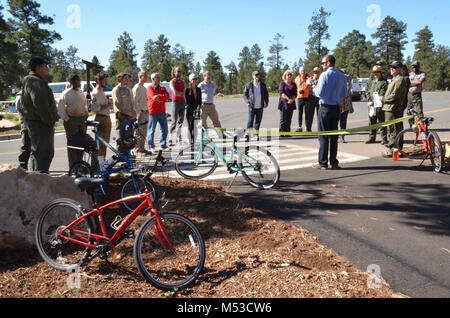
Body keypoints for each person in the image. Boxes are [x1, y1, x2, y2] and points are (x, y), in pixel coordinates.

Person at [21, 57, 58, 174]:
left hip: (35, 124)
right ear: (38, 68)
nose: (47, 68)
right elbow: (41, 106)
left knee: (36, 153)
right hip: (41, 125)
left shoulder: (28, 80)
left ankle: (35, 179)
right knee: (44, 154)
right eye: (45, 66)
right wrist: (50, 121)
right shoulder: (36, 82)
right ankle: (41, 181)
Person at [313, 55, 348, 170]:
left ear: (328, 63)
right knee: (333, 136)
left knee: (323, 136)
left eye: (323, 63)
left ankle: (323, 162)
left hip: (325, 108)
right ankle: (334, 162)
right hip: (336, 108)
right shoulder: (342, 76)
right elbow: (344, 94)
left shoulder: (325, 75)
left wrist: (314, 88)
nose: (322, 65)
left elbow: (319, 93)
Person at [57, 74, 89, 169]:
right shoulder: (66, 93)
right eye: (77, 81)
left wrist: (86, 115)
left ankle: (80, 166)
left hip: (82, 121)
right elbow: (61, 109)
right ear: (71, 82)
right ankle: (73, 167)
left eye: (79, 81)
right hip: (71, 121)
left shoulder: (81, 92)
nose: (79, 83)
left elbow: (84, 105)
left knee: (81, 144)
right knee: (72, 145)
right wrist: (67, 119)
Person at [382, 61, 407, 157]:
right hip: (389, 108)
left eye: (394, 67)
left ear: (400, 69)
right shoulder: (394, 79)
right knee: (394, 129)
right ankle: (396, 152)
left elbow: (394, 96)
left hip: (393, 109)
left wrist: (383, 98)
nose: (391, 69)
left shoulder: (399, 80)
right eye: (391, 67)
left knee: (393, 130)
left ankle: (392, 151)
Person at [113, 72, 136, 156]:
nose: (127, 79)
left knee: (128, 137)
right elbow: (118, 104)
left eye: (127, 78)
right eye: (125, 78)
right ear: (120, 79)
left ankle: (127, 156)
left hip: (129, 116)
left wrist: (133, 112)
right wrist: (128, 113)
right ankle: (120, 156)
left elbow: (131, 103)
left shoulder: (127, 90)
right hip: (121, 116)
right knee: (120, 137)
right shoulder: (116, 89)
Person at [91, 71, 112, 159]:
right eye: (104, 81)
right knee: (99, 143)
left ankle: (102, 161)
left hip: (106, 118)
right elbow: (95, 108)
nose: (106, 83)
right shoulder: (95, 93)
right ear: (98, 81)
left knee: (105, 143)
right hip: (100, 118)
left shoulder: (102, 92)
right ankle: (96, 164)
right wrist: (107, 106)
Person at [147, 73, 170, 153]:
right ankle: (151, 147)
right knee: (151, 130)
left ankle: (163, 145)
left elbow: (167, 96)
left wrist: (160, 97)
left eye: (159, 77)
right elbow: (154, 97)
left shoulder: (163, 87)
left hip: (162, 111)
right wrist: (162, 97)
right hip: (153, 111)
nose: (159, 78)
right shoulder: (150, 88)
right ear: (153, 79)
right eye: (157, 77)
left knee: (164, 129)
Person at [243, 70, 269, 141]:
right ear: (253, 76)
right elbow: (245, 94)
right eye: (255, 75)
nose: (257, 76)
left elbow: (266, 94)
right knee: (251, 121)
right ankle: (247, 135)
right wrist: (248, 101)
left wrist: (266, 102)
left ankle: (255, 134)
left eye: (258, 75)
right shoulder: (249, 84)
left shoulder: (263, 85)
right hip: (252, 105)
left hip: (260, 106)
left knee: (258, 121)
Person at [366, 65, 388, 145]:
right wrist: (369, 100)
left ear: (380, 73)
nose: (375, 74)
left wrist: (373, 102)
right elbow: (368, 92)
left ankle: (384, 138)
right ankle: (372, 138)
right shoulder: (372, 82)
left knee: (381, 122)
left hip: (379, 106)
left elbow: (382, 94)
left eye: (377, 72)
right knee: (372, 122)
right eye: (374, 72)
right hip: (371, 106)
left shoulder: (384, 83)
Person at [132, 71, 150, 155]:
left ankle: (142, 148)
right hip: (140, 112)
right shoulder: (136, 87)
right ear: (140, 77)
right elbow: (135, 101)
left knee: (144, 132)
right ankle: (137, 150)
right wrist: (138, 112)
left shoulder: (144, 88)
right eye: (145, 76)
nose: (146, 77)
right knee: (138, 132)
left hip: (145, 112)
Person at [169, 67, 186, 145]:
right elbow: (175, 93)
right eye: (178, 71)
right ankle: (171, 137)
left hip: (182, 102)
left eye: (180, 71)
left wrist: (181, 93)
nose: (179, 73)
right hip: (175, 102)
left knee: (181, 121)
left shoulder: (182, 82)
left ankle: (179, 137)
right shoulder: (172, 81)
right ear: (174, 72)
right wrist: (180, 93)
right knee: (174, 121)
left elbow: (184, 92)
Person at [278, 70, 297, 136]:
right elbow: (281, 93)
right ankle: (281, 132)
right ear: (285, 76)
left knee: (289, 118)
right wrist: (288, 99)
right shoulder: (282, 83)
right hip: (283, 103)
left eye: (290, 74)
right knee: (283, 118)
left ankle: (287, 132)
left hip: (291, 103)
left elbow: (295, 93)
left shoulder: (294, 84)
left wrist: (292, 99)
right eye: (288, 74)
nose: (289, 76)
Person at [184, 74, 202, 145]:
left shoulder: (198, 89)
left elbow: (199, 100)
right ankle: (190, 139)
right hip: (190, 110)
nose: (194, 80)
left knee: (196, 126)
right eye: (193, 79)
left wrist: (198, 107)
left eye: (195, 79)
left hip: (197, 110)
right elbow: (187, 102)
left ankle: (194, 140)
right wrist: (193, 108)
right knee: (190, 125)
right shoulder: (187, 90)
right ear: (190, 80)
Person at [16, 90, 31, 170]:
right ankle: (23, 167)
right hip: (26, 122)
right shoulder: (21, 94)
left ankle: (34, 168)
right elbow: (19, 108)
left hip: (35, 123)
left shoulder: (33, 91)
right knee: (26, 145)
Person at [408, 61, 426, 126]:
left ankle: (421, 126)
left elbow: (420, 82)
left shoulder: (422, 74)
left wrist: (410, 83)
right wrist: (415, 83)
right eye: (413, 66)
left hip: (417, 94)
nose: (414, 68)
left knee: (419, 111)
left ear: (418, 67)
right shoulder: (409, 74)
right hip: (409, 95)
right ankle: (412, 126)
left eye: (415, 66)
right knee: (409, 111)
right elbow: (407, 83)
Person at [294, 67, 311, 132]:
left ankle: (308, 127)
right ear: (299, 72)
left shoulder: (309, 77)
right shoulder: (297, 78)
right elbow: (295, 87)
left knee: (307, 113)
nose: (302, 72)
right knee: (300, 113)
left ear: (306, 71)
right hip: (300, 97)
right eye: (301, 71)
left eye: (304, 71)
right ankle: (300, 127)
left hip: (307, 97)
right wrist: (298, 92)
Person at [338, 70, 353, 143]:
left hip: (345, 102)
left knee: (343, 120)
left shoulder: (348, 79)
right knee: (336, 120)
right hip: (338, 103)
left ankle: (342, 136)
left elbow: (349, 89)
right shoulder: (337, 80)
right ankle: (337, 136)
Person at [306, 67, 321, 131]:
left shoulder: (321, 79)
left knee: (320, 115)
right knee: (309, 115)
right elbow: (309, 88)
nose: (316, 73)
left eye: (317, 72)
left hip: (319, 98)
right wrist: (317, 89)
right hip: (311, 98)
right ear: (313, 73)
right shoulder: (309, 79)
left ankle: (320, 129)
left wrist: (315, 88)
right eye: (315, 72)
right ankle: (308, 129)